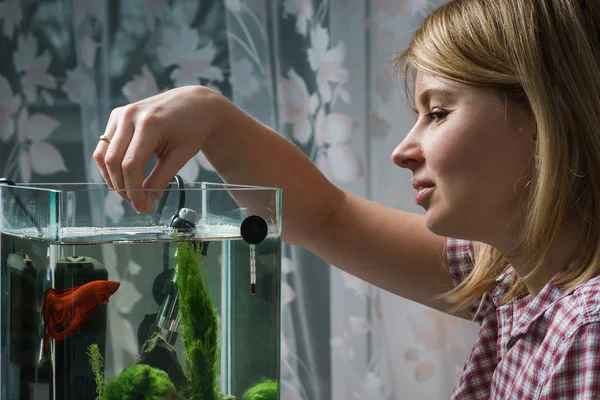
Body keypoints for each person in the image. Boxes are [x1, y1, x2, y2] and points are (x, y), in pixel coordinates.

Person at [94, 0, 600, 398]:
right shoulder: (514, 281)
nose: (403, 151)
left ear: (542, 117)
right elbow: (328, 218)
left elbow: (327, 218)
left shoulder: (587, 333)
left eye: (438, 112)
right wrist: (210, 115)